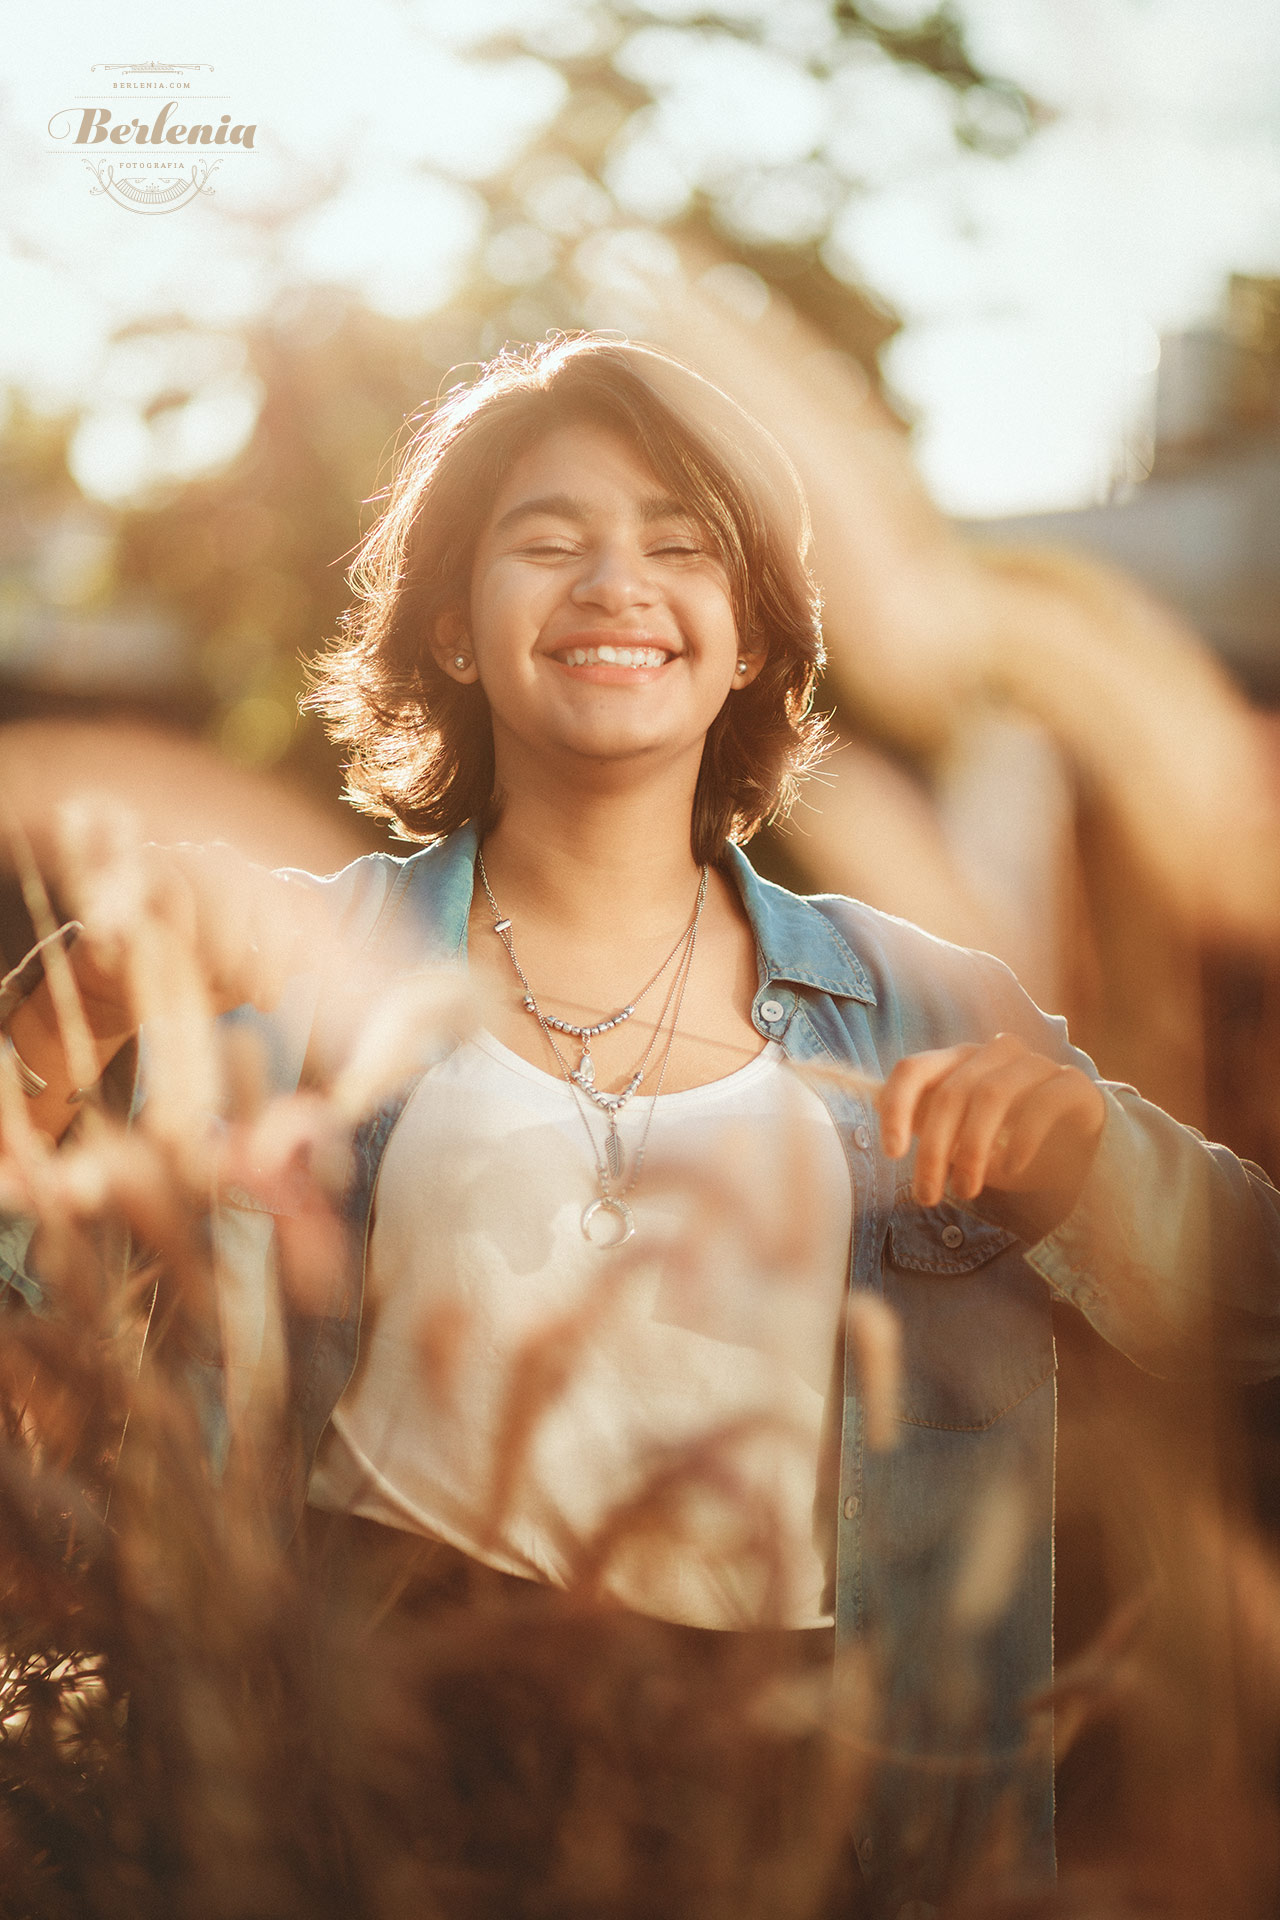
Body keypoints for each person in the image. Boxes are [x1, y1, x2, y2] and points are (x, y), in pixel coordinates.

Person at [3, 334, 1280, 1916]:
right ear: (456, 627)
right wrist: (58, 1036)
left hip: (807, 1797)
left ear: (752, 640)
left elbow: (1252, 1307)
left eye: (682, 547)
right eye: (549, 540)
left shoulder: (925, 997)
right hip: (369, 1757)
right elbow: (39, 1353)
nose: (617, 582)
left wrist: (1094, 1156)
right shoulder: (280, 964)